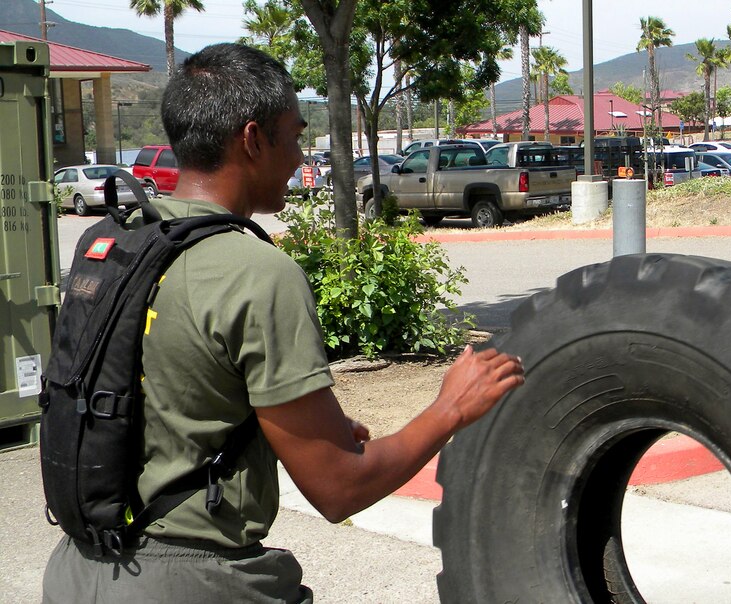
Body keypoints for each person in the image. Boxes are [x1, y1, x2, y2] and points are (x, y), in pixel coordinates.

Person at [42, 43, 524, 603]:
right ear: (252, 139)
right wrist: (451, 408)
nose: (300, 158)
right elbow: (339, 488)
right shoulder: (255, 271)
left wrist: (295, 434)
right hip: (192, 585)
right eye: (293, 136)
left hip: (78, 570)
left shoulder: (119, 243)